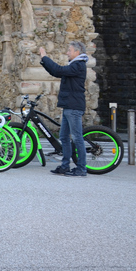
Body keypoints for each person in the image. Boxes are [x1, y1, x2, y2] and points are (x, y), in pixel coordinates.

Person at [39, 42, 89, 177]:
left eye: (69, 50)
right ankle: (65, 166)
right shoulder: (74, 65)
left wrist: (45, 57)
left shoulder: (78, 65)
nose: (67, 52)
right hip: (68, 106)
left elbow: (59, 70)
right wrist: (44, 61)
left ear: (77, 52)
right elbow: (56, 72)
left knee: (77, 138)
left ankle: (81, 168)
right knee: (63, 137)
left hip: (73, 107)